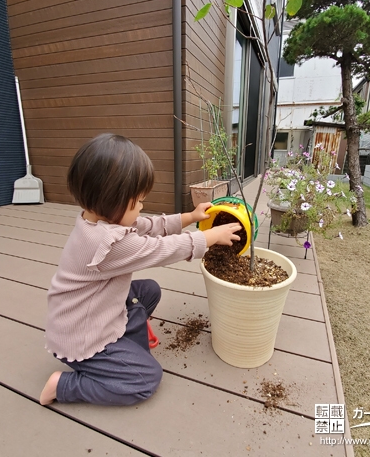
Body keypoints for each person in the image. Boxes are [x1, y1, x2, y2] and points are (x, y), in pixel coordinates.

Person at [40, 133, 241, 406]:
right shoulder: (106, 244)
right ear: (113, 200)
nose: (142, 207)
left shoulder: (98, 219)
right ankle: (63, 386)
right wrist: (209, 237)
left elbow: (150, 226)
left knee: (149, 291)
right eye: (138, 201)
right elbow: (160, 250)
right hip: (82, 336)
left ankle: (125, 336)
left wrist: (191, 217)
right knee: (145, 378)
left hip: (92, 304)